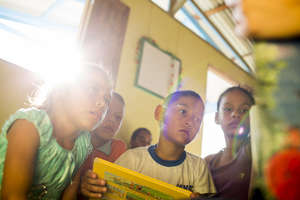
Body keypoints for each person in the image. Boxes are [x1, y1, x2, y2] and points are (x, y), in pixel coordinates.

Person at [0, 62, 112, 199]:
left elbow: (68, 196)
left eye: (107, 99)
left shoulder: (83, 143)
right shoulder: (30, 126)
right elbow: (12, 196)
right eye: (92, 90)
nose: (102, 103)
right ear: (62, 90)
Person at [115, 90, 216, 198]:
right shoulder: (132, 159)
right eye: (183, 112)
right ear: (160, 113)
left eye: (197, 119)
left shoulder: (199, 167)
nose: (190, 122)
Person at [205, 86, 255, 200]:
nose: (235, 114)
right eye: (228, 109)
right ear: (217, 117)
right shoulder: (208, 162)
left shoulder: (253, 153)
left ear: (253, 118)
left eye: (244, 110)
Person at [77, 92, 126, 200]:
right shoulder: (76, 139)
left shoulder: (119, 150)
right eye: (107, 112)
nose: (112, 120)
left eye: (118, 117)